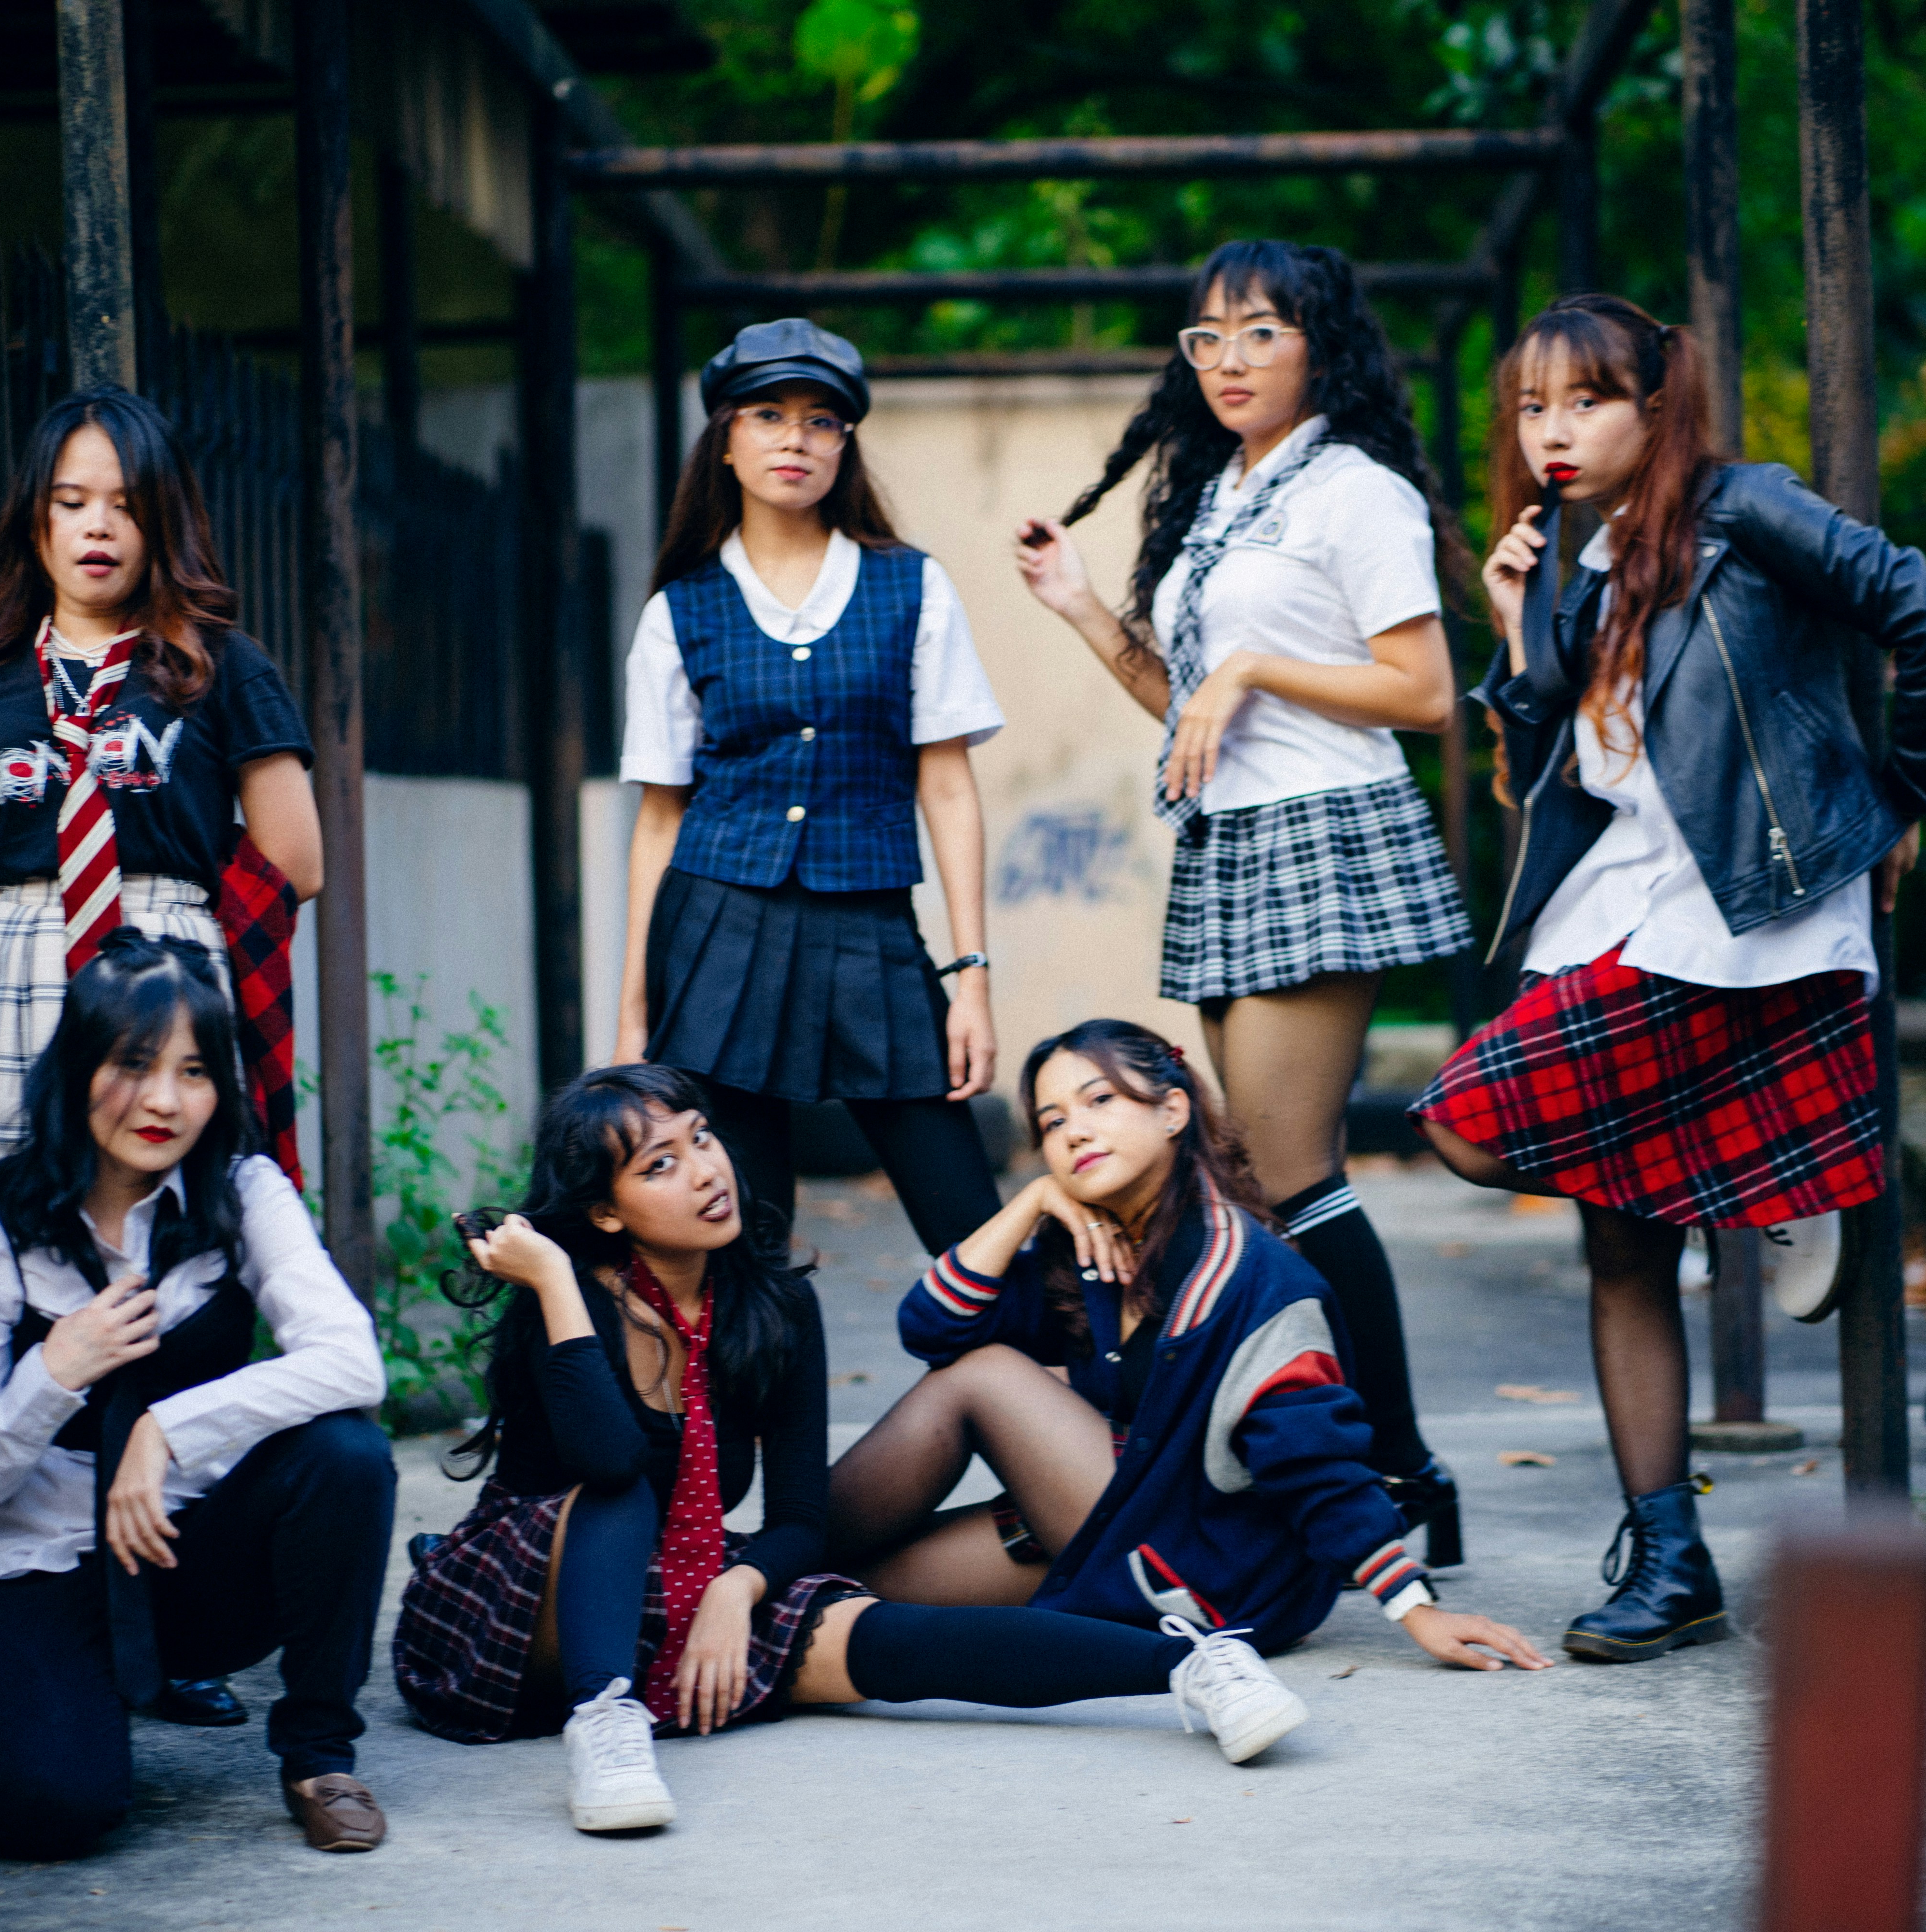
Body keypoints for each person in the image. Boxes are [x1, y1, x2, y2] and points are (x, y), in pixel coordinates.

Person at [1412, 293, 1926, 1660]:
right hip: (1617, 904)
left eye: (1586, 401)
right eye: (1532, 408)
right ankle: (1672, 1559)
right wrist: (1516, 629)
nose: (1551, 433)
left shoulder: (1747, 510)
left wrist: (1901, 797)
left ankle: (1776, 1182)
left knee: (1465, 1121)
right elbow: (1551, 765)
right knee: (1619, 1241)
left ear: (1658, 405)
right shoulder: (1574, 560)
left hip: (1744, 911)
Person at [395, 1064, 1365, 1838]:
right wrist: (556, 1285)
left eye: (702, 1138)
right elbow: (610, 1466)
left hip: (682, 1581)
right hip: (524, 1606)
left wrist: (738, 1588)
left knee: (890, 1640)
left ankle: (1195, 1668)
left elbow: (800, 1520)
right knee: (622, 1498)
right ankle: (606, 1723)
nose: (705, 1170)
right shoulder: (570, 1302)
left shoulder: (775, 1306)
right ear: (603, 1211)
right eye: (659, 1165)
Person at [1012, 242, 1475, 1563]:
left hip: (1326, 832)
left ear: (1322, 345)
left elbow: (1425, 691)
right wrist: (1084, 610)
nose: (1228, 359)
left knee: (1292, 1173)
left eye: (1262, 331)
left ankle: (1402, 1469)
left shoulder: (1356, 492)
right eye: (1207, 336)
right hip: (1233, 837)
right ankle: (1324, 1459)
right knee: (1259, 1182)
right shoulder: (1224, 496)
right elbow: (1192, 711)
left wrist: (1255, 668)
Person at [826, 1019, 1548, 1675]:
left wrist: (1414, 1608)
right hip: (1119, 1521)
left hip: (1215, 1569)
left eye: (1100, 1100)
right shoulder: (1091, 1250)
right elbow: (932, 1330)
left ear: (1173, 1111)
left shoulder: (1252, 1278)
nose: (1075, 1132)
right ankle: (771, 1575)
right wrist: (1031, 1202)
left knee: (983, 1377)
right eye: (1053, 1121)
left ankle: (776, 1549)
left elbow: (1315, 1462)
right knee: (845, 1592)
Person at [0, 932, 396, 1859]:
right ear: (78, 1068)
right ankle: (7, 1684)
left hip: (193, 1557)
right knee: (51, 1817)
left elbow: (352, 1362)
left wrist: (166, 1432)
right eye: (134, 1064)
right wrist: (54, 1374)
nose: (165, 1101)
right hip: (47, 1565)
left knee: (347, 1458)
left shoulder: (243, 1192)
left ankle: (319, 1758)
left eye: (194, 1071)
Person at [0, 383, 322, 1229]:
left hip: (166, 973)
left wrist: (187, 956)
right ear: (35, 520)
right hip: (12, 977)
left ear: (163, 522)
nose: (98, 527)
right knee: (7, 1237)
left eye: (126, 505)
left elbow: (296, 861)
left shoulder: (221, 665)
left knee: (175, 1230)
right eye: (71, 502)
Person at [616, 318, 1006, 1256]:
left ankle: (1029, 1358)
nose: (795, 437)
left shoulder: (912, 586)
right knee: (748, 1247)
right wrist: (633, 1016)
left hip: (871, 928)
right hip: (716, 935)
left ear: (845, 445)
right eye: (769, 414)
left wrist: (972, 978)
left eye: (822, 419)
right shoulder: (680, 609)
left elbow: (948, 787)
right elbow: (661, 817)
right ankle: (766, 1367)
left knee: (970, 1225)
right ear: (726, 439)